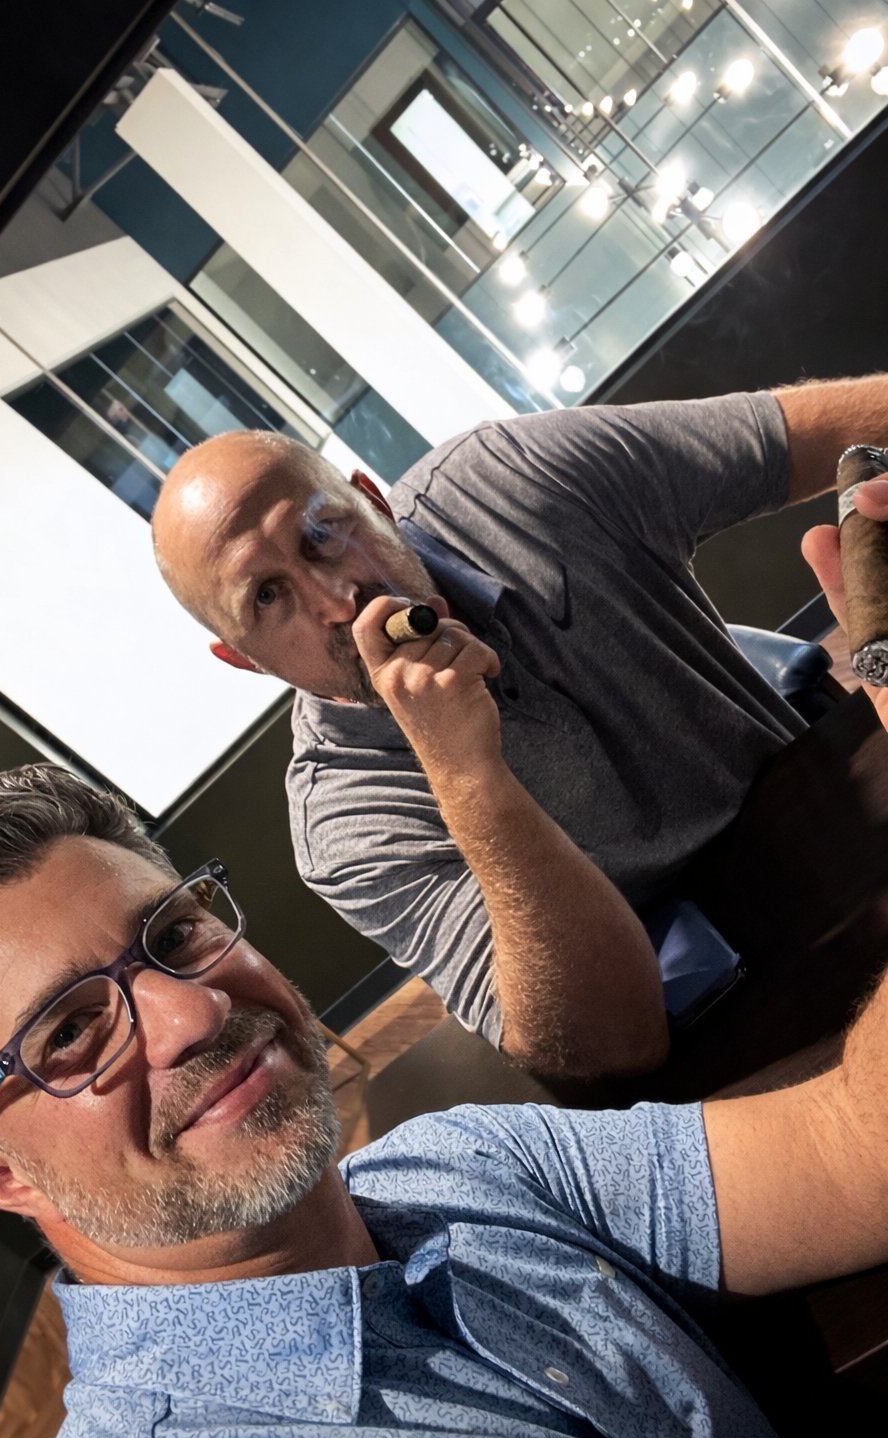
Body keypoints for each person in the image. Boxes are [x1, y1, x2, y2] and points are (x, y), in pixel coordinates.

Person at [0, 501, 887, 1438]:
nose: (192, 1013)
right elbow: (607, 1032)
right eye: (70, 1035)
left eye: (174, 932)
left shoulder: (455, 1168)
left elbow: (852, 1145)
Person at [150, 377, 888, 1080]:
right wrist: (466, 774)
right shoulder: (344, 822)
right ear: (244, 660)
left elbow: (842, 424)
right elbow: (606, 1042)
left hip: (842, 824)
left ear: (374, 501)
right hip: (714, 1016)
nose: (339, 600)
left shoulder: (512, 478)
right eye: (268, 596)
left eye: (323, 533)